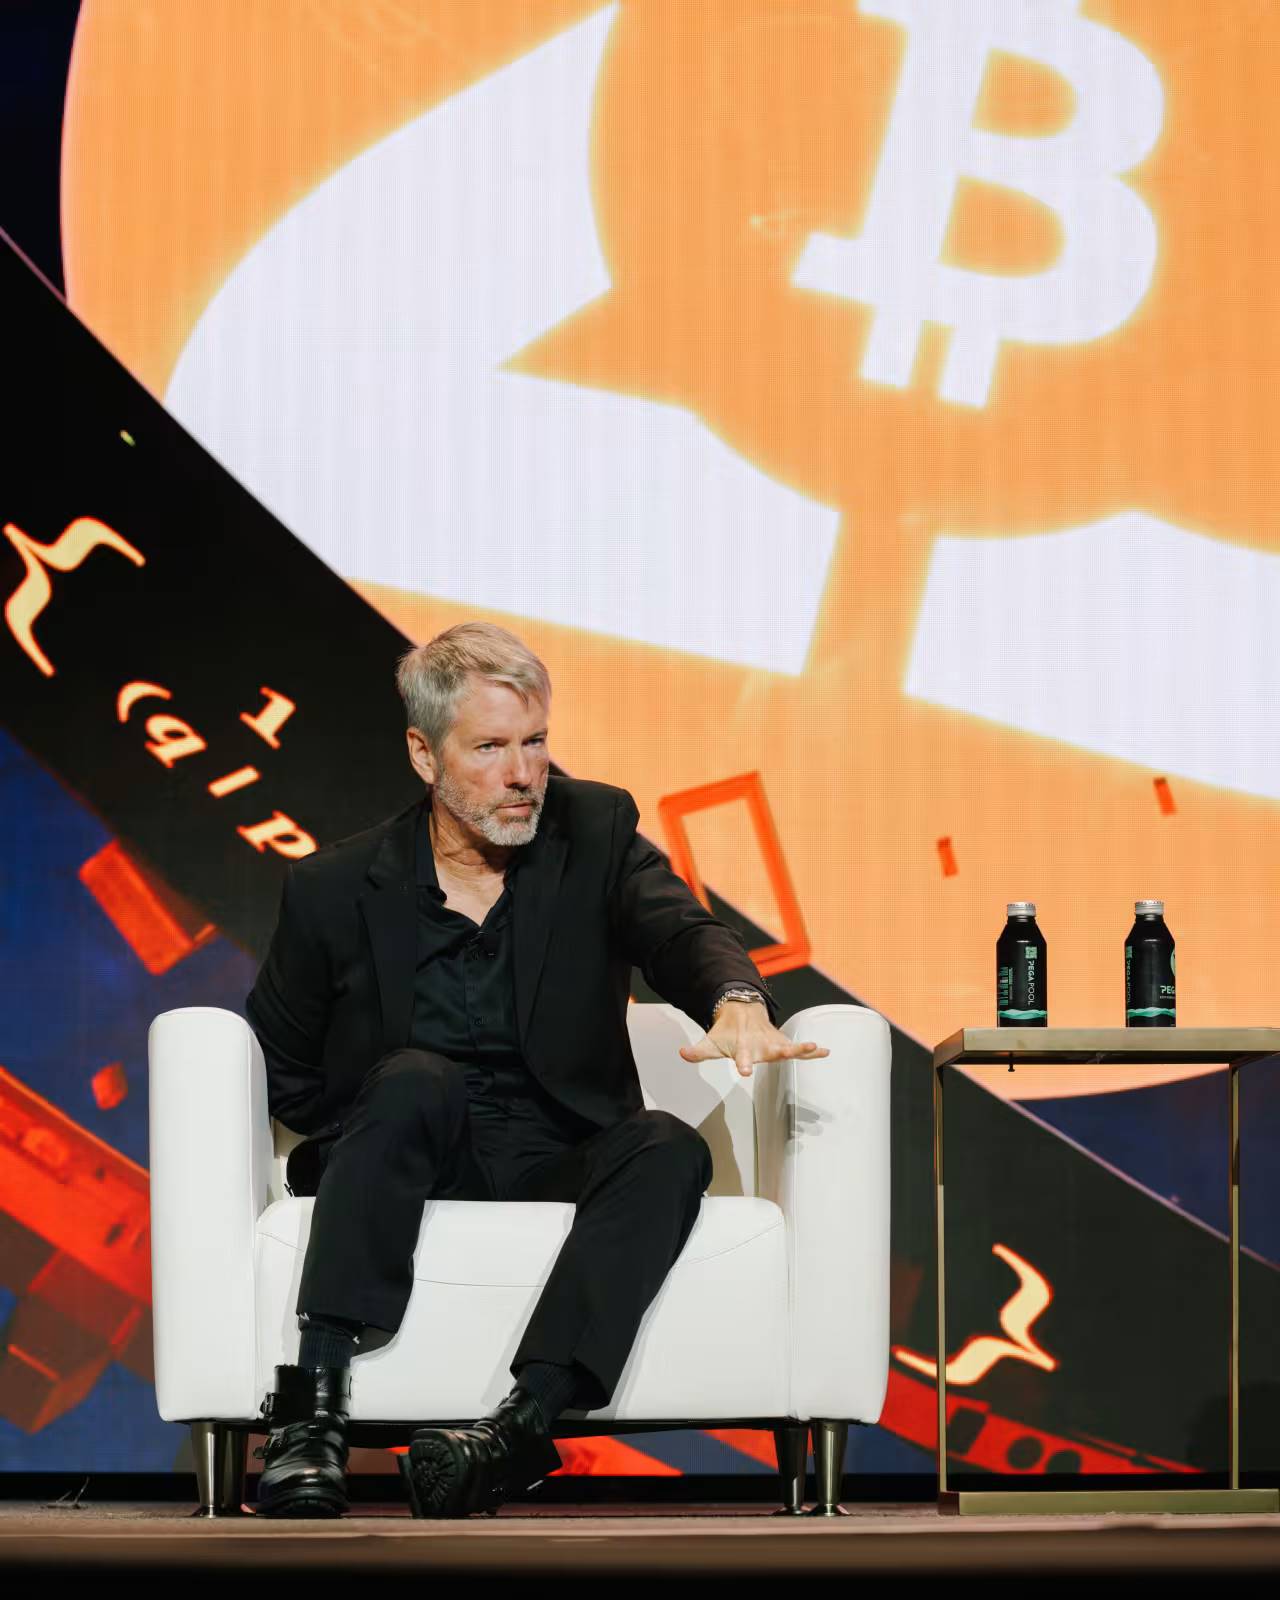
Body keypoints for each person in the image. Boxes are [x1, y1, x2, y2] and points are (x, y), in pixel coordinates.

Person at [244, 621, 828, 1517]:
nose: (523, 773)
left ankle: (516, 1433)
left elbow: (679, 931)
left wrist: (738, 997)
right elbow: (281, 1065)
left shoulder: (595, 831)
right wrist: (370, 1138)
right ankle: (310, 1419)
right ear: (425, 754)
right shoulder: (335, 889)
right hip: (418, 1153)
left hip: (560, 1151)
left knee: (668, 1146)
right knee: (414, 1079)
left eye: (536, 742)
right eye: (490, 748)